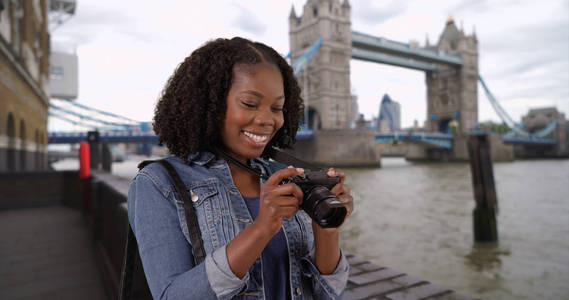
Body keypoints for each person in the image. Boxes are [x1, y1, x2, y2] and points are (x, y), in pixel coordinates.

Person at [127, 37, 354, 300]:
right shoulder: (156, 184)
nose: (267, 120)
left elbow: (327, 294)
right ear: (209, 104)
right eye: (249, 103)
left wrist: (327, 228)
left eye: (277, 108)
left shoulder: (282, 177)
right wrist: (261, 229)